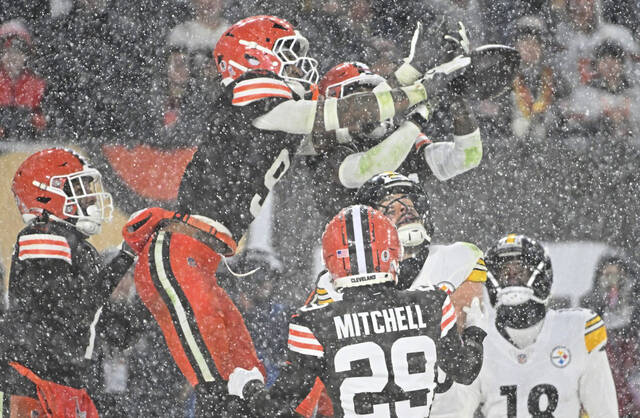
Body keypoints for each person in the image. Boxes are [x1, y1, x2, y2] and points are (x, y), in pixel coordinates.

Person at [177, 14, 469, 243]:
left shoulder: (276, 119)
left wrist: (413, 69)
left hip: (205, 243)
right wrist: (422, 93)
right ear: (254, 59)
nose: (299, 67)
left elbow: (356, 122)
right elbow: (343, 112)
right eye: (287, 55)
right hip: (187, 240)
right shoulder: (247, 93)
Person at [227, 205, 487, 417]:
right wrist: (475, 331)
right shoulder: (433, 303)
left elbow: (278, 410)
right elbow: (465, 371)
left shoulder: (312, 322)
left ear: (333, 261)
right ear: (392, 252)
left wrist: (251, 390)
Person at [2, 148, 135, 416]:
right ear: (48, 191)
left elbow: (92, 316)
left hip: (62, 379)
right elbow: (71, 308)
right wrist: (125, 257)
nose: (89, 198)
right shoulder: (42, 235)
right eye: (79, 187)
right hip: (38, 381)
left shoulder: (74, 242)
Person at [449, 233, 618, 417]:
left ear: (542, 275)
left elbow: (604, 411)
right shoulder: (479, 340)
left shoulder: (578, 330)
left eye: (520, 271)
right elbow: (455, 412)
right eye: (505, 272)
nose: (512, 278)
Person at [120, 208, 266, 416]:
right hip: (181, 250)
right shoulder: (173, 253)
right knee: (217, 390)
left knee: (242, 380)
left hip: (198, 258)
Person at [581, 254, 640, 417]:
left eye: (616, 274)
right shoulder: (590, 303)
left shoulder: (635, 301)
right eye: (607, 274)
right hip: (604, 360)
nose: (612, 280)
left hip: (629, 365)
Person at [0, 19, 47, 140]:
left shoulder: (38, 85)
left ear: (25, 56)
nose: (12, 58)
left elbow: (47, 125)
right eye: (7, 52)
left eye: (17, 52)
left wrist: (38, 125)